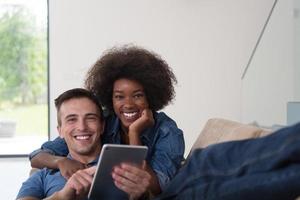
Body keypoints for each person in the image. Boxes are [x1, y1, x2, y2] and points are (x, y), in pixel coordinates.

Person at [29, 45, 185, 196]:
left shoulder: (167, 131)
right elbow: (38, 155)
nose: (128, 104)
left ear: (150, 96)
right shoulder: (102, 122)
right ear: (110, 99)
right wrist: (59, 162)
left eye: (137, 95)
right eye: (119, 97)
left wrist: (134, 133)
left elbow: (157, 186)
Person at [17, 88, 151, 200]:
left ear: (102, 126)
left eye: (90, 118)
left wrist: (141, 196)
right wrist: (62, 196)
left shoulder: (125, 170)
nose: (82, 127)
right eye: (71, 119)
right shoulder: (43, 176)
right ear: (60, 131)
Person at [154, 122, 300, 200]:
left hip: (175, 184)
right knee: (205, 193)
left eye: (138, 95)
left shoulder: (161, 125)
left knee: (206, 159)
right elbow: (155, 185)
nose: (129, 104)